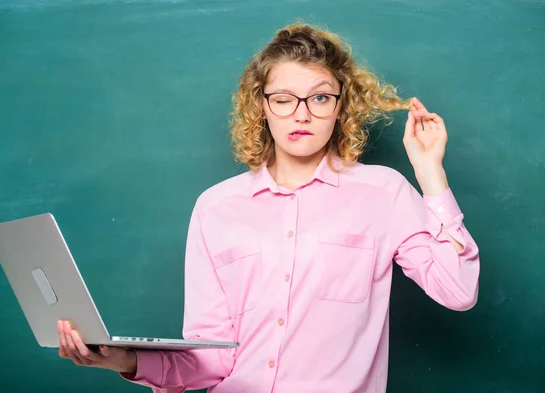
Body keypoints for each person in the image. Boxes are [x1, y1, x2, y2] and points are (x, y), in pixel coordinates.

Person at [57, 22, 480, 393]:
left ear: (339, 106)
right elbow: (211, 357)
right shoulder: (216, 207)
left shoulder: (383, 192)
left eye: (319, 98)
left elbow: (458, 292)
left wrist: (430, 174)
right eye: (284, 98)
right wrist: (123, 360)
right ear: (262, 105)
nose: (302, 114)